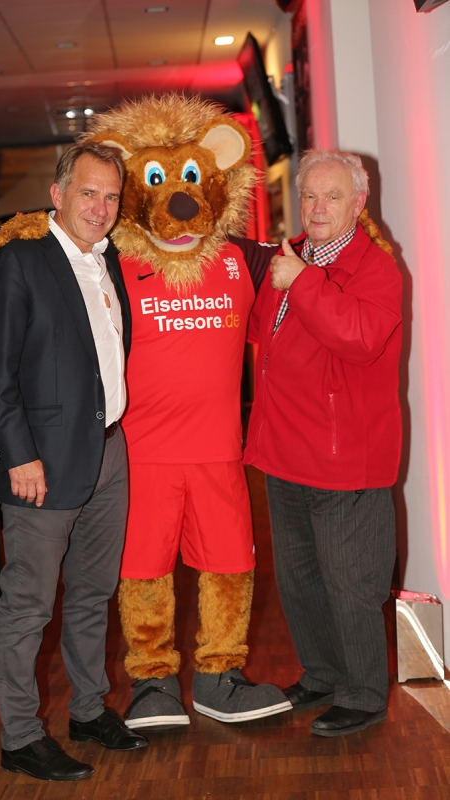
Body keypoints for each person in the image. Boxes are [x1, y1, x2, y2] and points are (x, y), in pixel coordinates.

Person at [0, 141, 147, 782]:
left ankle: (88, 709)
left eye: (111, 196)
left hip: (108, 450)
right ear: (58, 194)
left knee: (93, 594)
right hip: (40, 464)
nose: (100, 207)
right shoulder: (19, 261)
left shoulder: (110, 261)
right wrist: (18, 455)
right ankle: (20, 737)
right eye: (88, 193)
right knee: (29, 604)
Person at [244, 149, 402, 738]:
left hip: (344, 460)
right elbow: (260, 333)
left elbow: (359, 338)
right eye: (309, 195)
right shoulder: (290, 256)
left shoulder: (375, 269)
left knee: (351, 584)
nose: (317, 207)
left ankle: (363, 693)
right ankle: (323, 674)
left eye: (332, 196)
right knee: (300, 580)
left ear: (358, 203)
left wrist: (303, 282)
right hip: (285, 451)